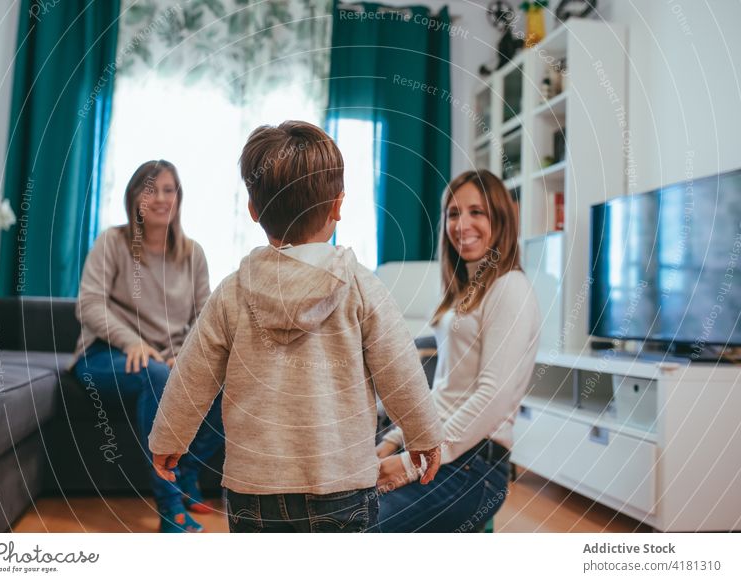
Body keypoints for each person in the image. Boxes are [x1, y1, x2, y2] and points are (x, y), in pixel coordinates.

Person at [148, 121, 444, 533]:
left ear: (253, 211)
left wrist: (168, 439)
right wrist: (424, 435)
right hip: (343, 487)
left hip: (254, 489)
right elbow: (401, 370)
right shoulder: (360, 286)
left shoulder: (232, 292)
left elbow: (191, 376)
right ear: (338, 205)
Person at [376, 169, 541, 532]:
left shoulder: (510, 287)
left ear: (500, 218)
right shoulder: (462, 290)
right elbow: (445, 391)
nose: (462, 224)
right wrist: (392, 441)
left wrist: (410, 464)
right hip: (440, 448)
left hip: (474, 465)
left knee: (362, 528)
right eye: (453, 213)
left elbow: (493, 395)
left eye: (476, 212)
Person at [71, 160, 224, 533]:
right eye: (150, 189)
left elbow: (205, 317)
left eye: (168, 190)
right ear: (134, 198)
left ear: (178, 198)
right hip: (105, 356)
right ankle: (170, 506)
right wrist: (133, 341)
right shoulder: (113, 241)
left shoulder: (193, 254)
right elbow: (88, 304)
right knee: (155, 375)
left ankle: (188, 474)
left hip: (168, 360)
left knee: (227, 375)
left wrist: (183, 355)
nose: (160, 198)